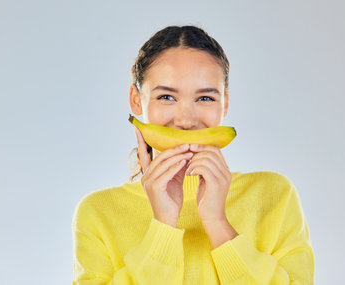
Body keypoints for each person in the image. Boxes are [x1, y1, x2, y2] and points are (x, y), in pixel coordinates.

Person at [72, 25, 314, 284]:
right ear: (135, 100)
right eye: (166, 96)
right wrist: (163, 226)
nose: (186, 120)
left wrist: (218, 223)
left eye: (206, 98)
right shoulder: (97, 213)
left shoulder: (275, 195)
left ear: (226, 103)